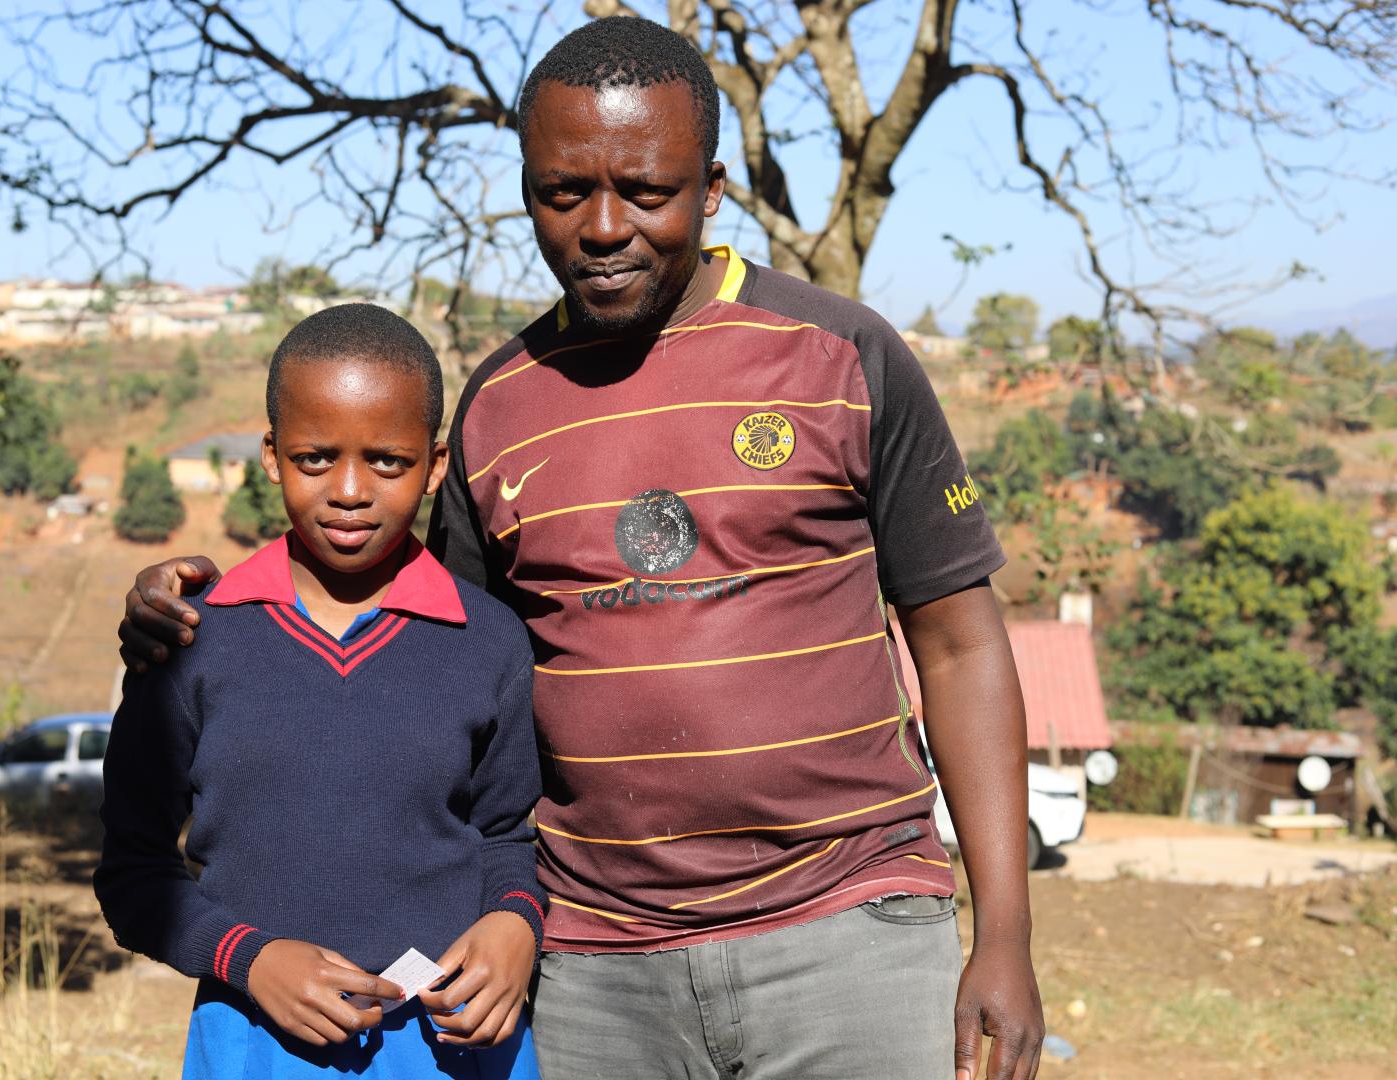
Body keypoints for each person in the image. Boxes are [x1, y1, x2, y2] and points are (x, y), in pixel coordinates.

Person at [118, 17, 1044, 1080]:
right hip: (595, 965)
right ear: (526, 187)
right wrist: (187, 608)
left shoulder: (842, 354)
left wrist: (1007, 936)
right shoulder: (498, 407)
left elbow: (964, 646)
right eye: (564, 192)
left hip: (845, 931)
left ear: (713, 187)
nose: (604, 226)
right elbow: (422, 651)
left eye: (646, 191)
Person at [96, 303, 547, 1080]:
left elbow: (509, 838)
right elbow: (132, 872)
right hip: (255, 1043)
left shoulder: (488, 641)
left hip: (454, 1048)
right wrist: (250, 959)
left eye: (387, 461)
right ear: (271, 455)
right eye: (314, 458)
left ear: (436, 467)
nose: (348, 490)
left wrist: (516, 923)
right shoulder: (192, 644)